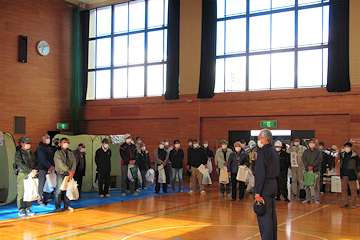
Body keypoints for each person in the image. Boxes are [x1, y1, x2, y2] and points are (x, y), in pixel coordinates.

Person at [254, 129, 280, 240]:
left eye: (259, 138)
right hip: (273, 183)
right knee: (271, 214)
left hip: (265, 185)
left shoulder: (263, 152)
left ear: (265, 139)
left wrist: (257, 192)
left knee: (264, 215)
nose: (258, 141)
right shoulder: (274, 151)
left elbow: (260, 173)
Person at [15, 137, 39, 217]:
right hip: (23, 173)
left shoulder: (32, 153)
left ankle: (28, 208)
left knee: (30, 191)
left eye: (29, 143)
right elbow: (20, 163)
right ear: (22, 143)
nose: (28, 145)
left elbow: (36, 162)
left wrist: (35, 170)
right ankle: (21, 209)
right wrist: (30, 170)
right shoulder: (19, 153)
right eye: (26, 143)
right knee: (21, 192)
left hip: (31, 174)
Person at [54, 138, 76, 212]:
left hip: (69, 174)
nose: (66, 143)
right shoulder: (58, 153)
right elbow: (60, 164)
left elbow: (74, 162)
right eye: (64, 142)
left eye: (67, 142)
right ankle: (58, 207)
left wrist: (72, 171)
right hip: (61, 173)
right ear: (60, 143)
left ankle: (67, 205)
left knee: (68, 190)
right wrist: (68, 170)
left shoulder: (70, 152)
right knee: (58, 191)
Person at [339, 142, 360, 209]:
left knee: (353, 190)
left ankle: (353, 203)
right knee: (344, 189)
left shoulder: (355, 156)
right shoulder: (342, 155)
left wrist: (356, 172)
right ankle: (346, 202)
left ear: (351, 147)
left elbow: (358, 165)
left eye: (348, 147)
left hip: (352, 174)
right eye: (345, 147)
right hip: (343, 174)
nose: (346, 148)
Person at [302, 138, 323, 204]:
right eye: (310, 142)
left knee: (316, 185)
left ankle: (316, 199)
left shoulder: (318, 152)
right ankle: (308, 199)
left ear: (315, 143)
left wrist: (312, 166)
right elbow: (303, 159)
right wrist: (308, 166)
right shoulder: (306, 151)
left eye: (313, 142)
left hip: (315, 170)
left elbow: (319, 160)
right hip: (307, 170)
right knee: (307, 185)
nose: (311, 144)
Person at [36, 134, 55, 207]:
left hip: (50, 169)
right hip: (43, 168)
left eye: (49, 138)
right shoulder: (40, 148)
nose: (48, 139)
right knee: (42, 185)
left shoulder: (50, 148)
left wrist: (52, 166)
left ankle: (46, 200)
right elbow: (42, 159)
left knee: (49, 185)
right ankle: (40, 201)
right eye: (47, 138)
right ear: (43, 139)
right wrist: (49, 166)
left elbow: (52, 158)